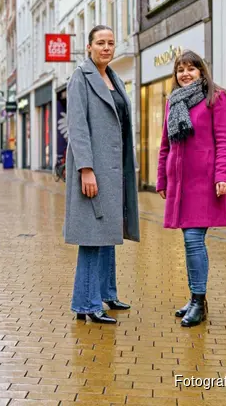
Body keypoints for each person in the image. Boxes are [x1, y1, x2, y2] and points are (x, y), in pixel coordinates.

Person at [63, 25, 140, 325]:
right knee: (92, 236)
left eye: (110, 42)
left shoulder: (115, 77)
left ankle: (107, 293)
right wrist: (86, 169)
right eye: (100, 43)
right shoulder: (80, 78)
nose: (106, 48)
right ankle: (86, 303)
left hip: (114, 167)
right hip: (93, 168)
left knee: (109, 232)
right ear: (89, 47)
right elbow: (78, 127)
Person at [157, 50, 226, 327]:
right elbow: (166, 144)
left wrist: (223, 175)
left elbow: (225, 140)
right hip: (179, 182)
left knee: (193, 240)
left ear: (202, 70)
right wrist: (162, 179)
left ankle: (199, 302)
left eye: (191, 68)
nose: (185, 74)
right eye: (180, 70)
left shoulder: (217, 98)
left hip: (204, 182)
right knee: (189, 242)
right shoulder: (173, 102)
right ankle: (194, 298)